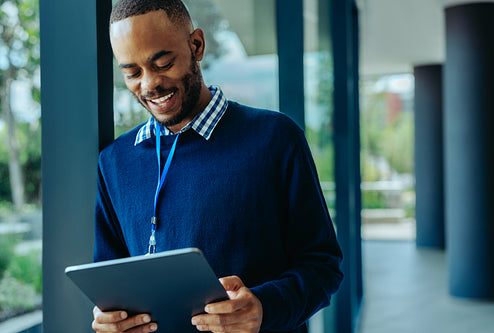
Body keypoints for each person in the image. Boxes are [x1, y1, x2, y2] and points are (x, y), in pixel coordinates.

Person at [92, 0, 343, 332]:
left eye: (163, 63)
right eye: (132, 72)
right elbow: (108, 281)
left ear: (196, 45)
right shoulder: (114, 162)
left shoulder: (276, 139)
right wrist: (107, 319)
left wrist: (265, 307)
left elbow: (323, 265)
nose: (150, 84)